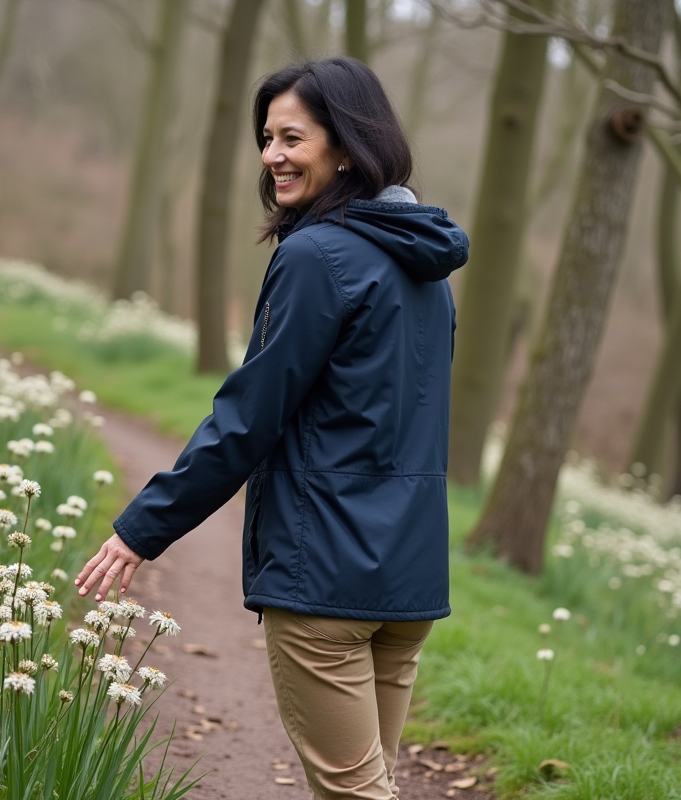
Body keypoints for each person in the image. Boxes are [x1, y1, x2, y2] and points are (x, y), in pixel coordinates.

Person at [76, 57, 468, 800]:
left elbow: (247, 419)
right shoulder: (424, 265)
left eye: (292, 138)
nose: (271, 156)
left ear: (347, 144)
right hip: (404, 576)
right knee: (370, 787)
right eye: (266, 138)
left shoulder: (319, 255)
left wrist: (141, 529)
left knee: (355, 793)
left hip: (325, 573)